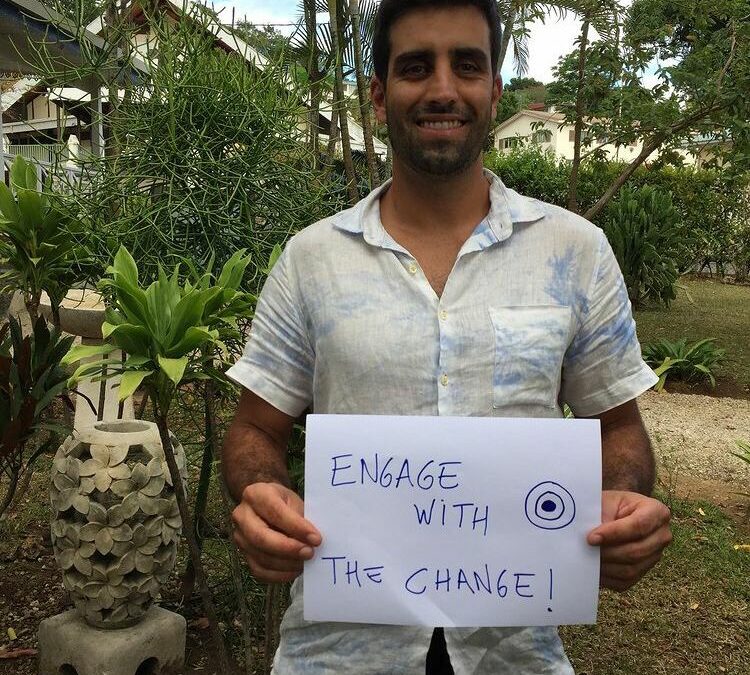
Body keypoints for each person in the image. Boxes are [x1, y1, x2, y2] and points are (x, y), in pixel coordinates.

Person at [222, 0, 673, 672]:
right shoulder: (311, 260)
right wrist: (258, 492)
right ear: (378, 94)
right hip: (339, 650)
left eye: (466, 65)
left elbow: (620, 429)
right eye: (414, 67)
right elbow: (255, 428)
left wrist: (626, 500)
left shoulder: (574, 252)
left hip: (513, 649)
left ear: (494, 90)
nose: (441, 89)